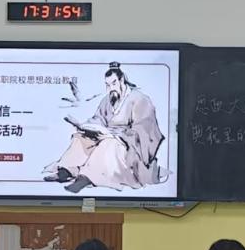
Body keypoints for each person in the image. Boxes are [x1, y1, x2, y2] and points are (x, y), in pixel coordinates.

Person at [43, 62, 166, 193]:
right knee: (81, 138)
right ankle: (67, 170)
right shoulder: (108, 100)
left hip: (127, 145)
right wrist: (85, 127)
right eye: (107, 85)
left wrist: (119, 135)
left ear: (122, 80)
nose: (111, 88)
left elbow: (144, 130)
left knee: (108, 143)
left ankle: (86, 177)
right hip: (107, 135)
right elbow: (99, 119)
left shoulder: (140, 100)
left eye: (114, 83)